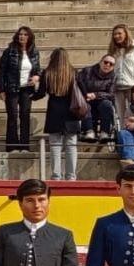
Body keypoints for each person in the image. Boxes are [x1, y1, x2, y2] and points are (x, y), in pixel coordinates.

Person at [34, 48, 81, 181]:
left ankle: (56, 176)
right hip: (71, 112)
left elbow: (41, 93)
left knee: (55, 145)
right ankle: (71, 176)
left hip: (54, 111)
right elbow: (81, 90)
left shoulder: (48, 73)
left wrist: (31, 95)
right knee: (71, 145)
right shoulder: (73, 72)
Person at [0, 26, 41, 152]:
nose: (22, 36)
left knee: (25, 116)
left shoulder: (34, 52)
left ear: (29, 37)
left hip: (27, 89)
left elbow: (38, 69)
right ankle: (12, 146)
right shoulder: (9, 51)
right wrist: (1, 90)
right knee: (12, 116)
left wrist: (37, 77)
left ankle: (24, 146)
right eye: (20, 34)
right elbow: (2, 71)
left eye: (25, 34)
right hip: (12, 88)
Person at [77, 55, 119, 143]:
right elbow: (78, 84)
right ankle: (89, 132)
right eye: (105, 62)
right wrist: (86, 95)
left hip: (102, 100)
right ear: (100, 62)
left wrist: (95, 95)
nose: (107, 65)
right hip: (86, 98)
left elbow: (111, 94)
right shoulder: (87, 71)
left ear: (113, 67)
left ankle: (105, 132)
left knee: (107, 104)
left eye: (111, 64)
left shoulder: (113, 76)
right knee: (84, 104)